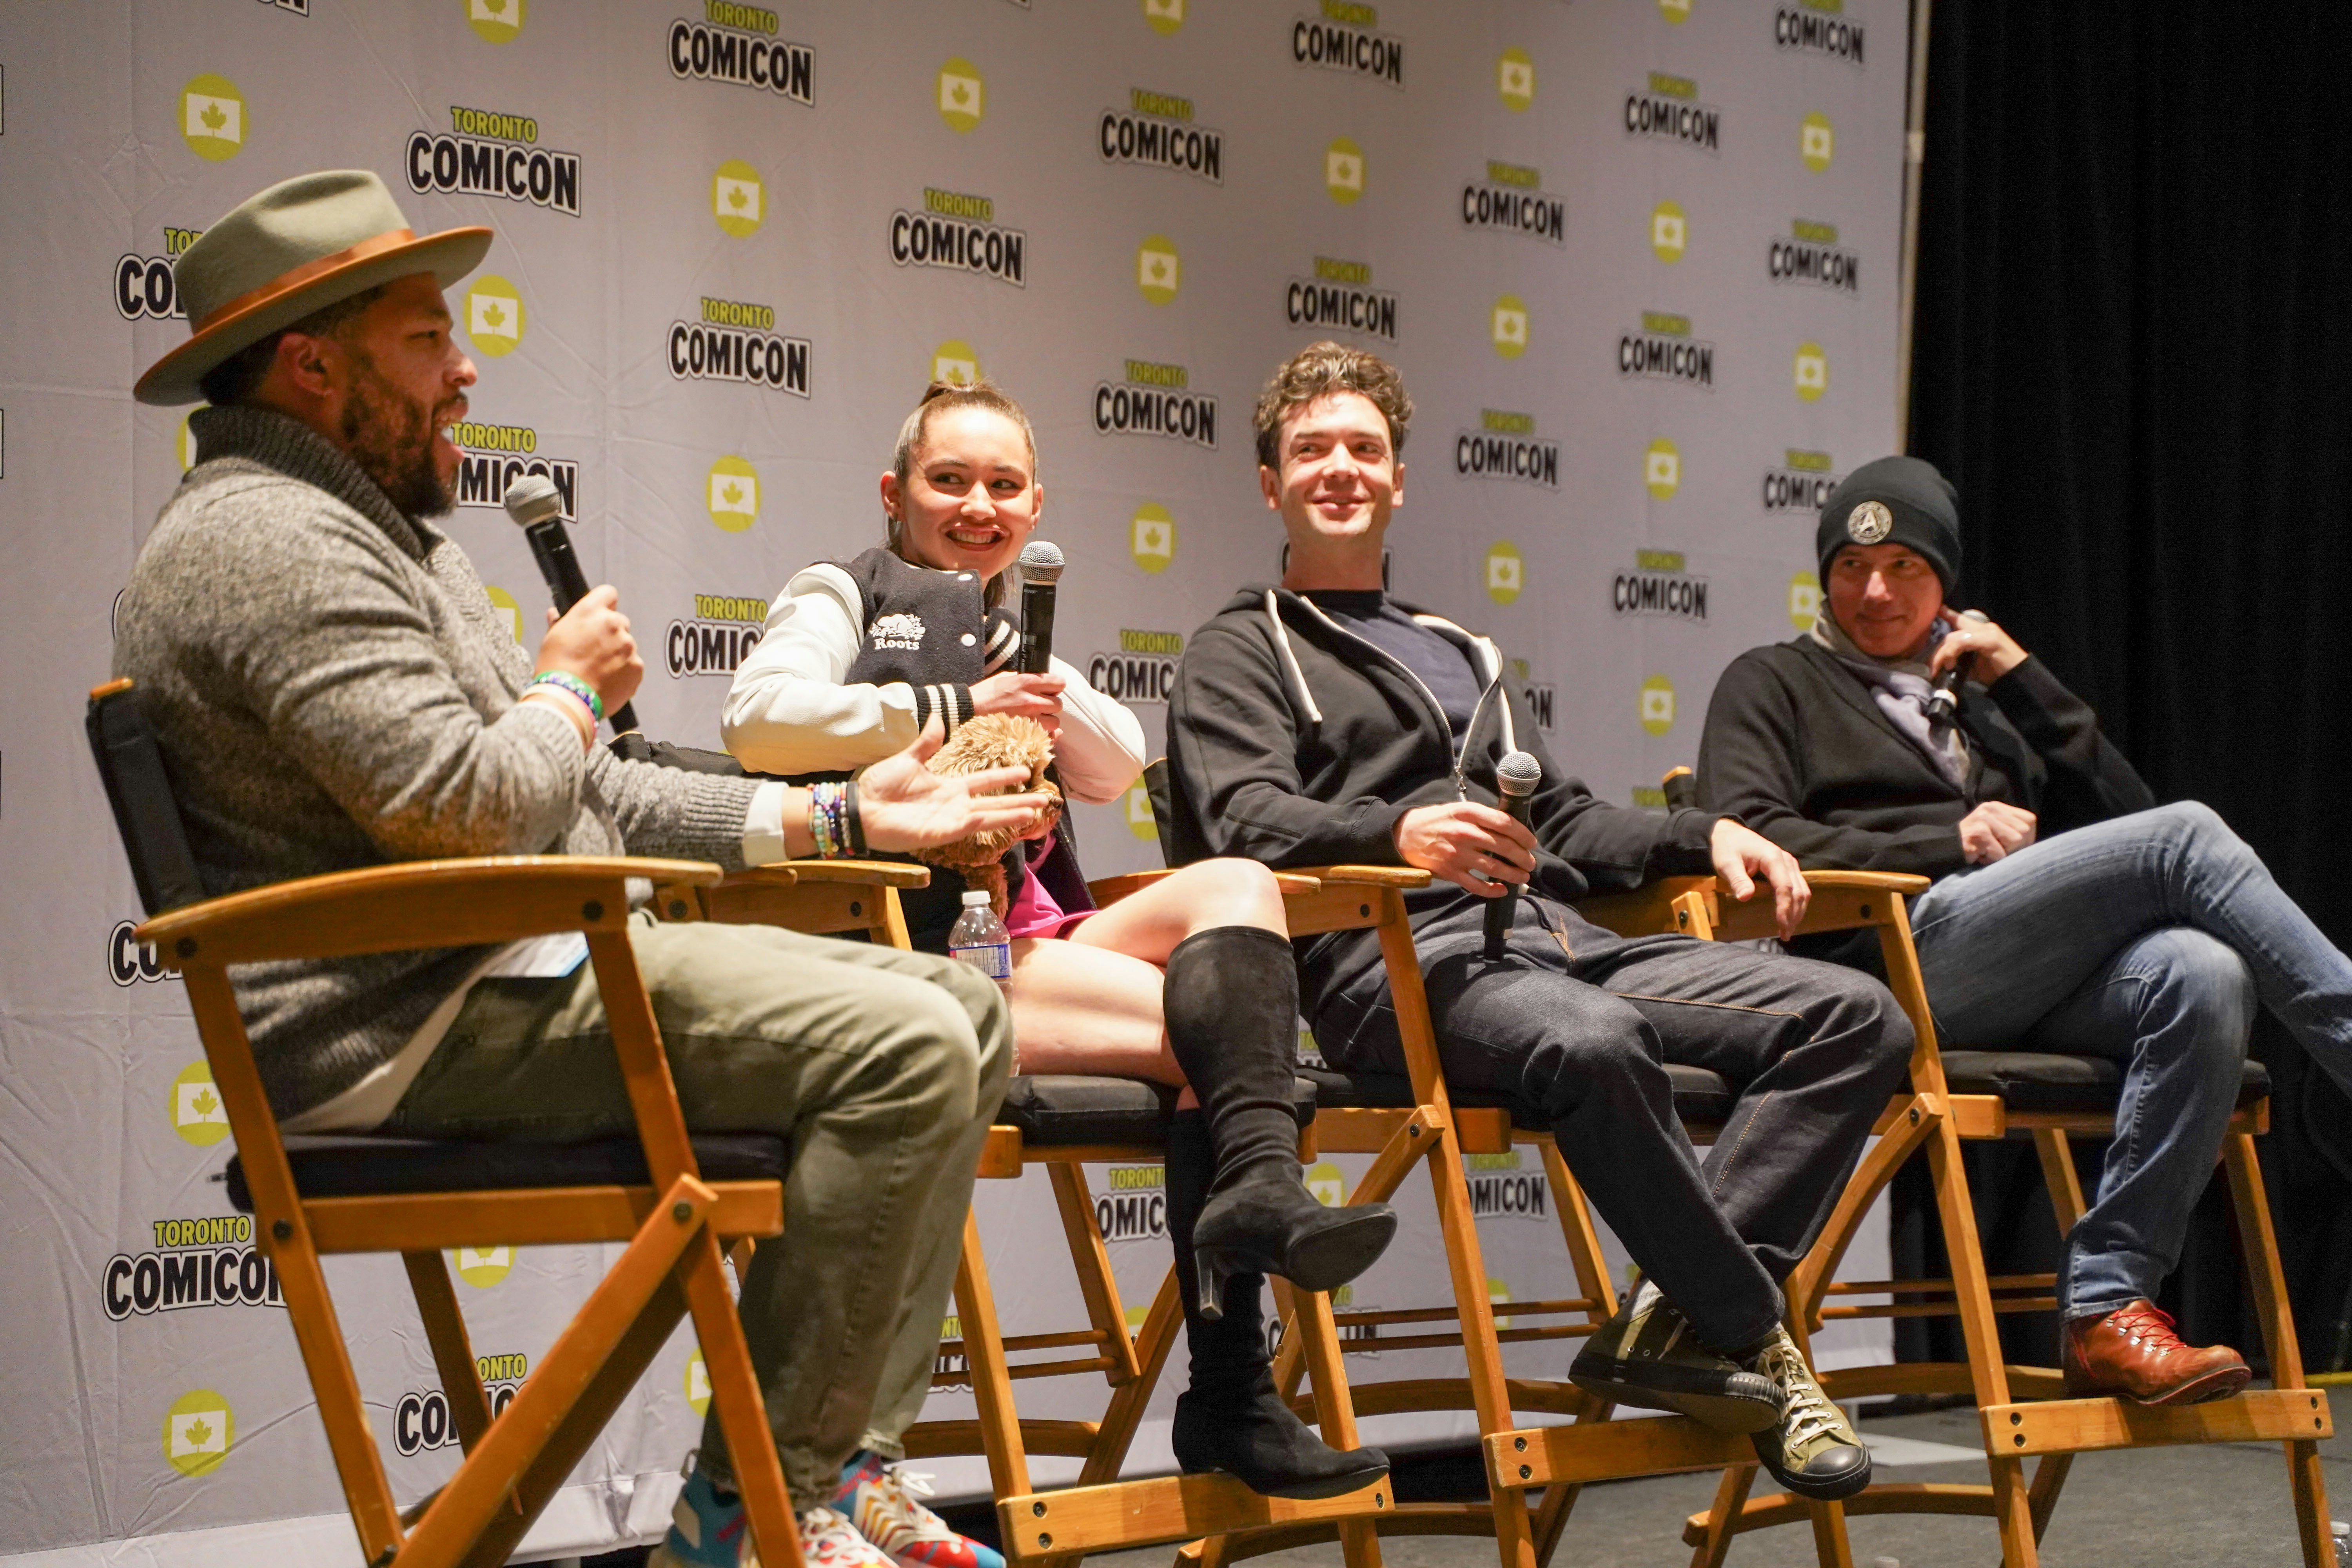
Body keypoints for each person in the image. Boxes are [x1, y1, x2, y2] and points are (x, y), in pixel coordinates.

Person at [117, 171, 1057, 1568]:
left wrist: (845, 818)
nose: (465, 368)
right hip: (400, 1021)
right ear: (311, 367)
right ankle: (754, 1508)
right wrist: (564, 688)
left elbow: (594, 789)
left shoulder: (368, 533)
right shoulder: (264, 543)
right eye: (427, 338)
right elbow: (469, 807)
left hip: (503, 971)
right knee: (909, 1042)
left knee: (965, 1010)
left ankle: (833, 1468)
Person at [1161, 342, 1919, 1503]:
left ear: (1400, 477)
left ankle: (1674, 1317)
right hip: (1399, 964)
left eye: (1365, 447)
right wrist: (1398, 833)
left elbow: (1563, 816)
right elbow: (1241, 819)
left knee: (1859, 1018)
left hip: (1564, 942)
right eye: (1311, 450)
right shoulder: (1242, 644)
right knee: (1595, 1042)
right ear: (1271, 483)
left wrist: (1703, 832)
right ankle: (1756, 1336)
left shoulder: (1461, 649)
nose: (1341, 468)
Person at [720, 378, 1399, 1501]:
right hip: (918, 956)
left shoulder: (1010, 629)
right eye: (949, 481)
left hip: (1033, 940)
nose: (978, 506)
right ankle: (1235, 1382)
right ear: (895, 492)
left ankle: (1258, 1206)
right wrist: (953, 707)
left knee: (1234, 885)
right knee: (1236, 1049)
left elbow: (1116, 763)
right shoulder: (843, 590)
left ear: (1036, 507)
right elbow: (758, 722)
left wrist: (1030, 682)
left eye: (1005, 485)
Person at [1698, 453, 2352, 1405]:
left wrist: (2025, 681)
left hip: (2016, 976)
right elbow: (1748, 831)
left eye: (1904, 567)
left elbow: (2135, 821)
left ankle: (2108, 1306)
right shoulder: (1774, 680)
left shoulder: (1984, 708)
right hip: (1882, 966)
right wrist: (1946, 839)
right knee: (2188, 839)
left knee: (2205, 969)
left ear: (1946, 581)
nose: (1875, 591)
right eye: (1851, 566)